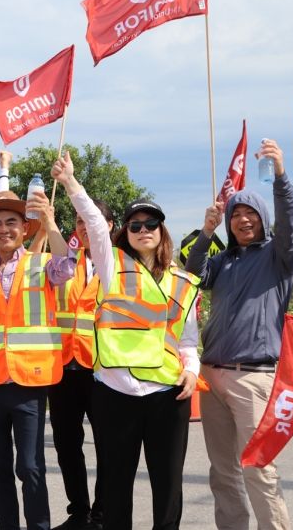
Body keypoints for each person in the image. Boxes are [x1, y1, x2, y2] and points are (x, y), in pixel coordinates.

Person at [53, 151, 201, 530]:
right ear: (126, 233)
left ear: (162, 230)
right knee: (116, 487)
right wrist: (70, 182)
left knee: (168, 487)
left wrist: (191, 370)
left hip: (167, 394)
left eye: (151, 223)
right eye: (135, 225)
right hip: (115, 393)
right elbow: (95, 226)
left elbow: (187, 339)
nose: (143, 229)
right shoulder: (111, 263)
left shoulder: (181, 281)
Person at [186, 137, 293, 530]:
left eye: (251, 213)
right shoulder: (224, 260)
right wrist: (206, 231)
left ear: (263, 218)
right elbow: (194, 275)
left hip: (254, 378)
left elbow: (291, 223)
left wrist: (281, 175)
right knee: (223, 473)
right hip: (212, 375)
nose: (243, 219)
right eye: (237, 214)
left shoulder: (279, 257)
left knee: (259, 470)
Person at [0, 190, 73, 530]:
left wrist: (50, 221)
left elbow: (67, 268)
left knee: (30, 466)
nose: (3, 229)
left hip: (29, 381)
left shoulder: (41, 263)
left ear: (25, 229)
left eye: (11, 222)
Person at [49, 200, 113, 530]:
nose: (84, 227)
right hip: (62, 365)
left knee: (106, 442)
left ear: (109, 226)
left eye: (92, 220)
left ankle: (102, 515)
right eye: (79, 221)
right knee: (66, 443)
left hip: (101, 368)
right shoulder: (62, 261)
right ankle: (79, 511)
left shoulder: (115, 265)